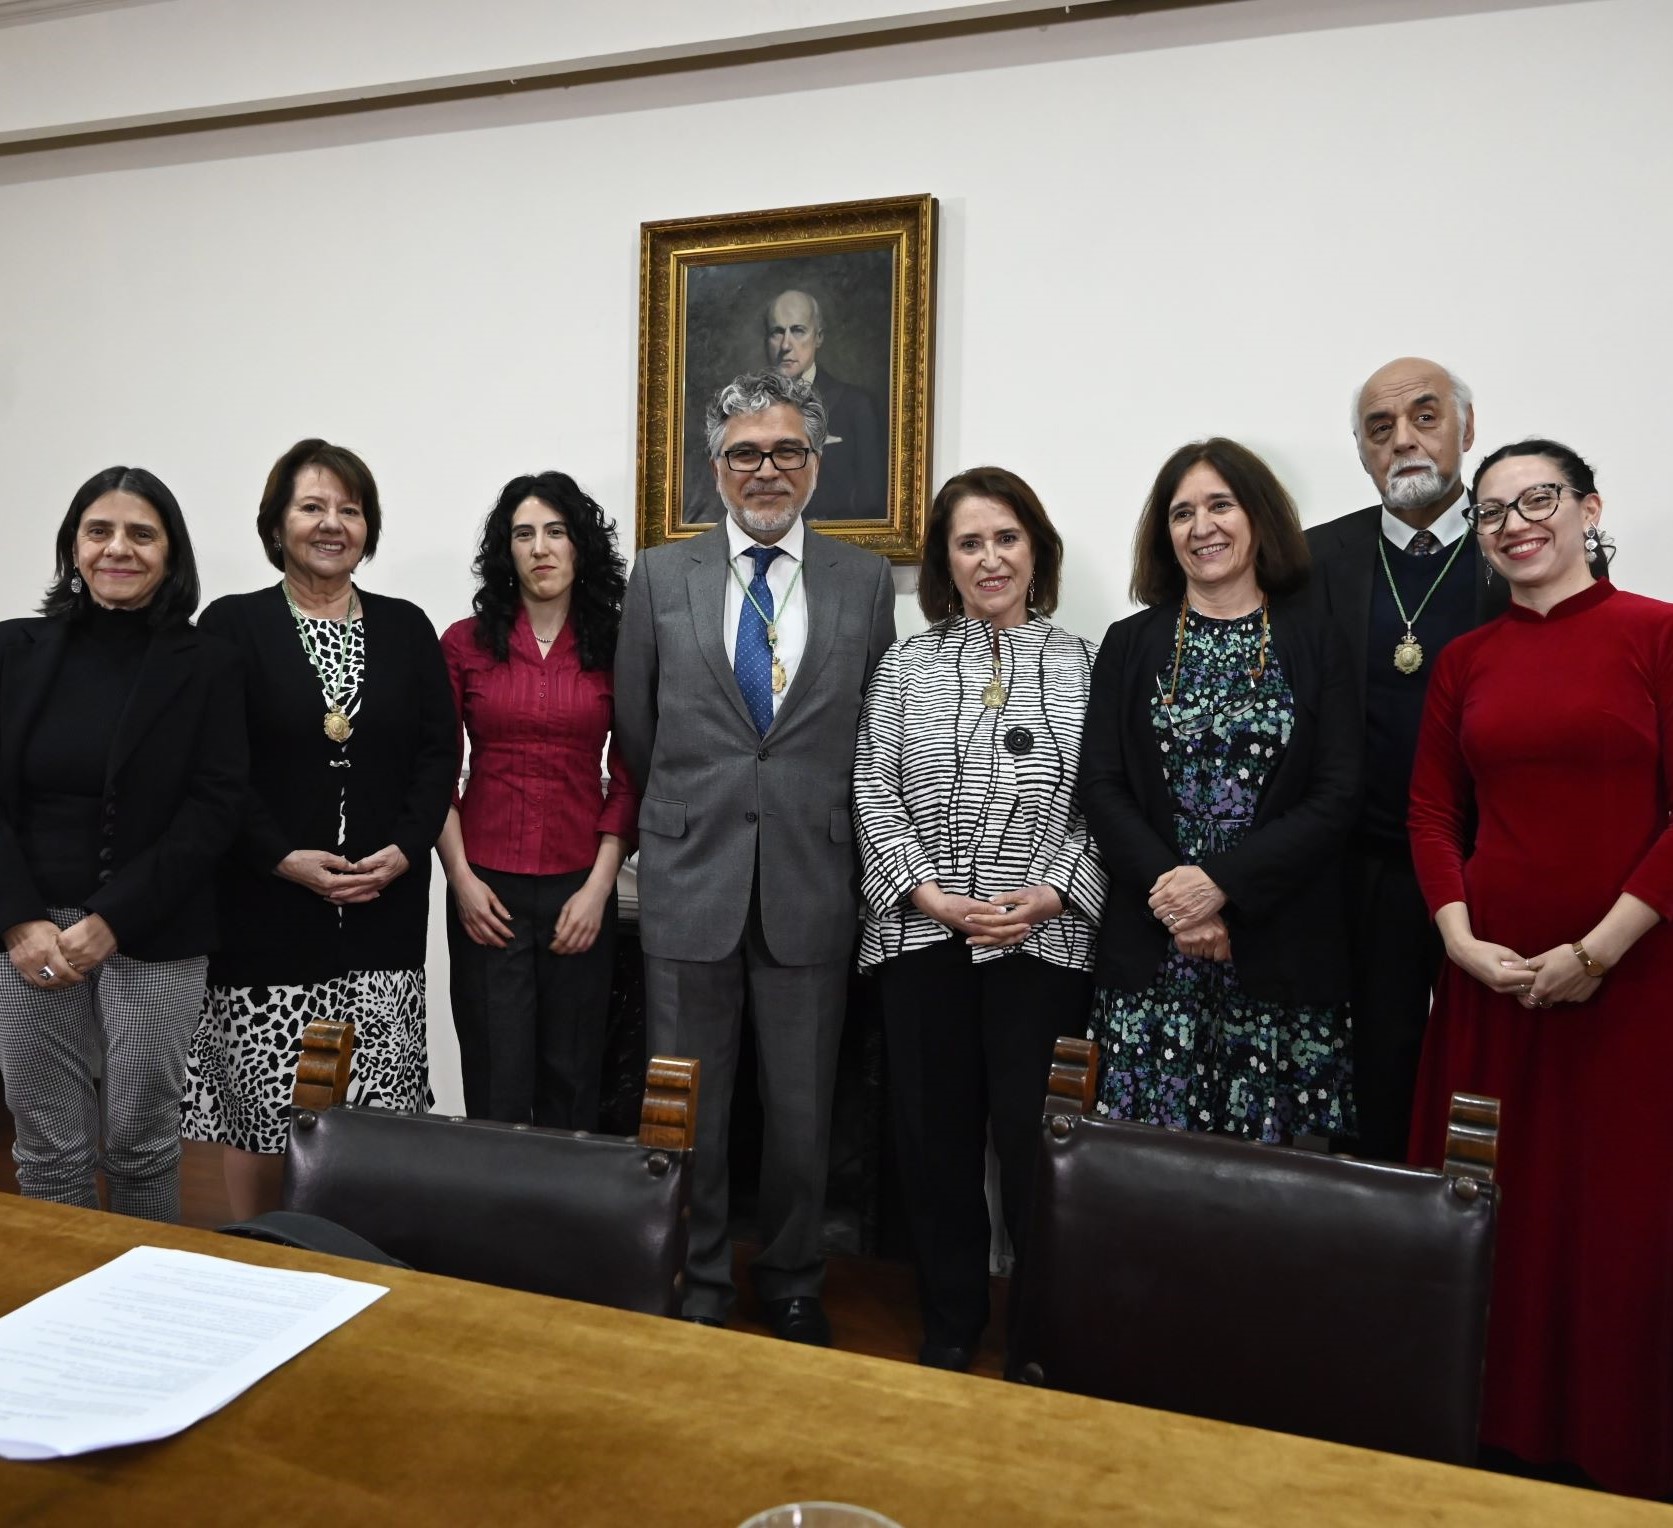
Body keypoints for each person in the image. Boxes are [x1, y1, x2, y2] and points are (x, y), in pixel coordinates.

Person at [1407, 439, 1670, 1497]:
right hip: (1491, 986)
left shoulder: (1654, 634)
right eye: (1492, 510)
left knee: (1615, 1217)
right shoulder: (1464, 659)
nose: (1514, 522)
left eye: (1537, 499)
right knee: (1491, 1214)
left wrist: (1598, 949)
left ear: (1586, 508)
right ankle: (1487, 1440)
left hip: (1631, 986)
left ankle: (1613, 1454)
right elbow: (1429, 811)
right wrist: (1459, 939)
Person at [615, 369, 895, 1343]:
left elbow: (872, 733)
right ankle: (689, 1278)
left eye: (784, 450)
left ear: (813, 465)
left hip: (813, 883)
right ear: (714, 468)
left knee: (801, 1107)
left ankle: (789, 1276)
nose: (764, 469)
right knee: (685, 1104)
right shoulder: (658, 577)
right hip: (691, 878)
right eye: (744, 452)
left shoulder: (860, 581)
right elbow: (639, 731)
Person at [853, 466, 1105, 1372]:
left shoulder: (1085, 661)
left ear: (1035, 549)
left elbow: (1103, 803)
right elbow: (871, 793)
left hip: (1044, 942)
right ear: (943, 562)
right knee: (934, 1145)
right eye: (969, 543)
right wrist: (926, 894)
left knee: (1037, 1146)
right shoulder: (904, 666)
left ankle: (1043, 1333)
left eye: (1006, 538)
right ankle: (951, 1323)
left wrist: (1049, 892)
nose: (989, 558)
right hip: (922, 938)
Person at [181, 439, 455, 1219]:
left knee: (376, 1121)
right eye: (312, 507)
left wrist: (405, 849)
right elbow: (216, 766)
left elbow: (439, 754)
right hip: (264, 915)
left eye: (350, 509)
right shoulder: (230, 626)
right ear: (276, 524)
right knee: (264, 1117)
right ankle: (263, 1272)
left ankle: (366, 1286)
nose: (332, 524)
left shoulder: (407, 627)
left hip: (383, 918)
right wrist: (278, 858)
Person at [1081, 438, 1357, 1140]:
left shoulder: (1318, 639)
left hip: (1276, 948)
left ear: (1256, 517)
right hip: (1153, 955)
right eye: (1181, 513)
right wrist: (1181, 899)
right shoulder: (1130, 641)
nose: (1201, 526)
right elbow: (1102, 785)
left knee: (1269, 1201)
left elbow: (1336, 794)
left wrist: (1221, 885)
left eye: (1219, 505)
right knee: (1146, 1180)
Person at [0, 467, 246, 1221]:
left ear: (171, 553)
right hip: (29, 933)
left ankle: (145, 1318)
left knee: (142, 1140)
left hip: (154, 930)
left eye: (142, 534)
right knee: (46, 1145)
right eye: (99, 531)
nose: (119, 549)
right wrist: (19, 919)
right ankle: (56, 1317)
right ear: (73, 546)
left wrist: (115, 918)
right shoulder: (13, 649)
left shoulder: (207, 661)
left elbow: (216, 805)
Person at [1306, 357, 1504, 1160]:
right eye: (1379, 429)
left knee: (1486, 1066)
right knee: (1377, 1063)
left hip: (1490, 858)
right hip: (1365, 862)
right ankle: (1380, 1249)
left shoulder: (1516, 544)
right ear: (1360, 453)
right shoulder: (1316, 560)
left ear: (1466, 428)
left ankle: (1483, 1253)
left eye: (1424, 417)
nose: (1404, 442)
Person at [438, 472, 636, 1128]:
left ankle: (562, 1229)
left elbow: (630, 770)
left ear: (580, 546)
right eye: (523, 534)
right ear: (506, 550)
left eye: (555, 532)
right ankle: (488, 1229)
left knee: (572, 1078)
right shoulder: (464, 644)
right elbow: (438, 768)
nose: (540, 547)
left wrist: (598, 888)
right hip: (484, 887)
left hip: (580, 887)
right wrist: (460, 879)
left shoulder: (618, 645)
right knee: (495, 1079)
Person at [764, 289, 887, 521]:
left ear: (818, 337)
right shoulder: (747, 413)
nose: (786, 345)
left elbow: (871, 501)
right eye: (777, 332)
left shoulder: (857, 406)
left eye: (798, 331)